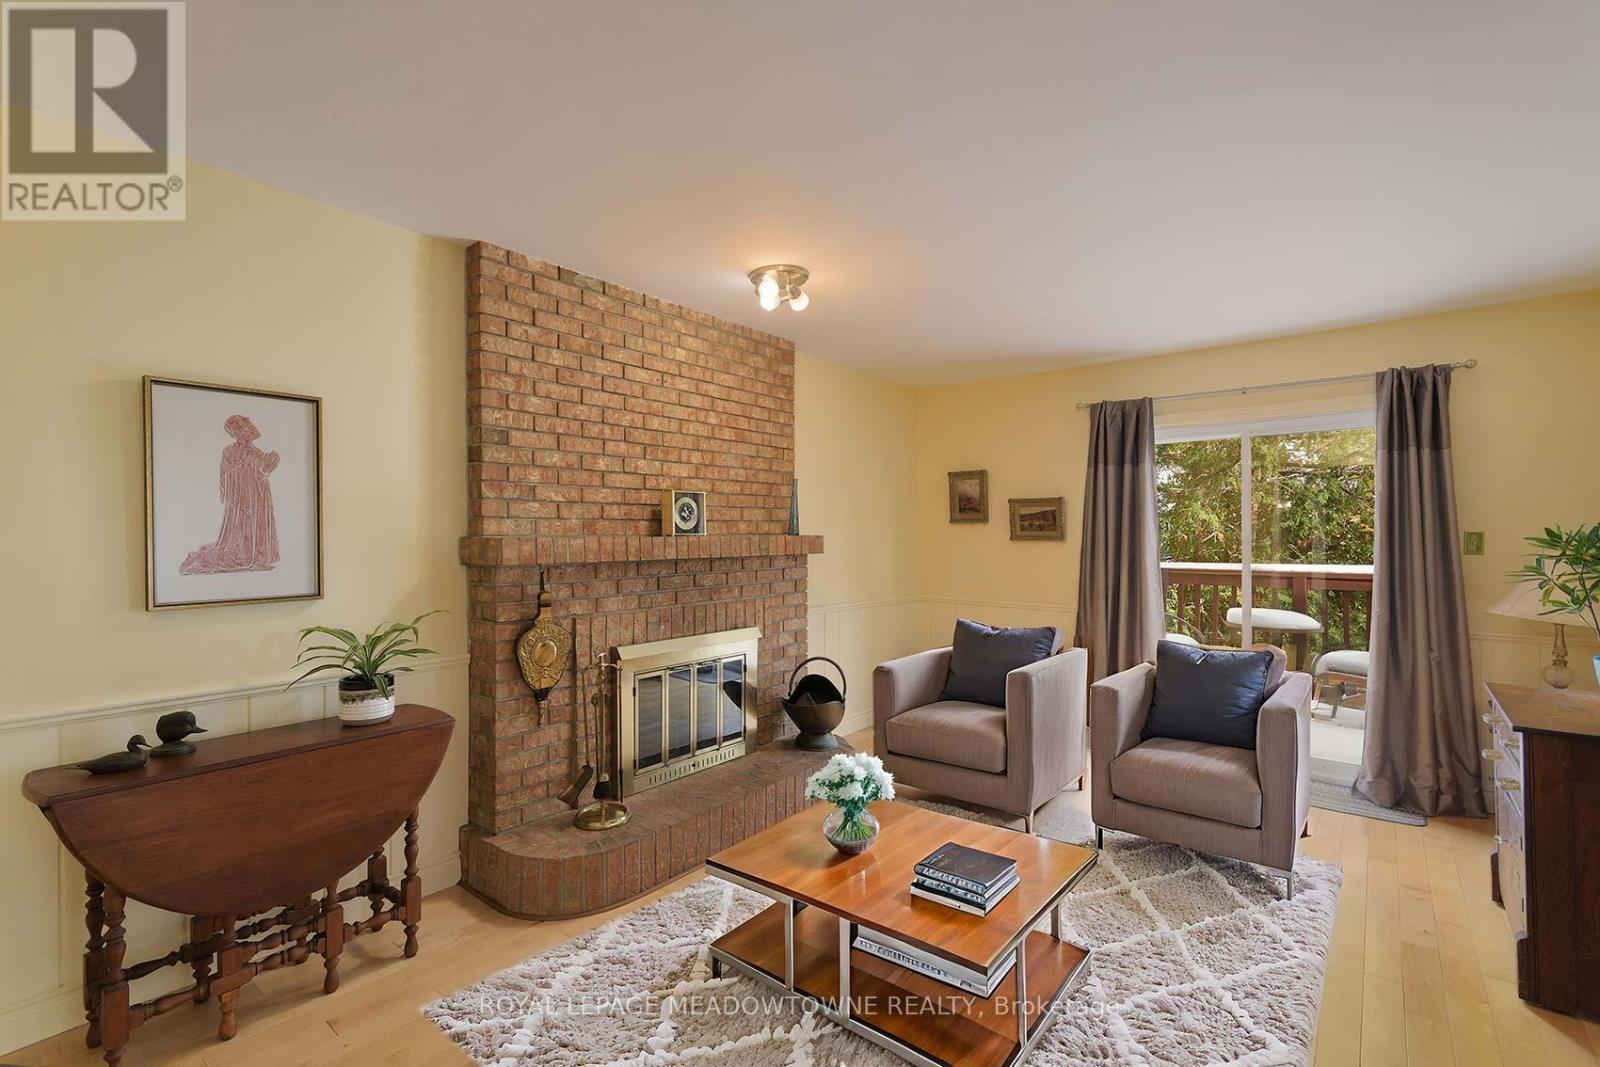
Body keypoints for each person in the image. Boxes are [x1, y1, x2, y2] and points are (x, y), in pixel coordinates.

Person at [179, 414, 281, 574]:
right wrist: (240, 466)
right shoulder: (229, 451)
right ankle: (243, 556)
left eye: (245, 430)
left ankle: (257, 557)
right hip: (240, 496)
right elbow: (225, 473)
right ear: (235, 433)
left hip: (257, 497)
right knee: (240, 525)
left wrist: (269, 463)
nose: (243, 433)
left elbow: (262, 473)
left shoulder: (257, 452)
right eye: (239, 431)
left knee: (256, 522)